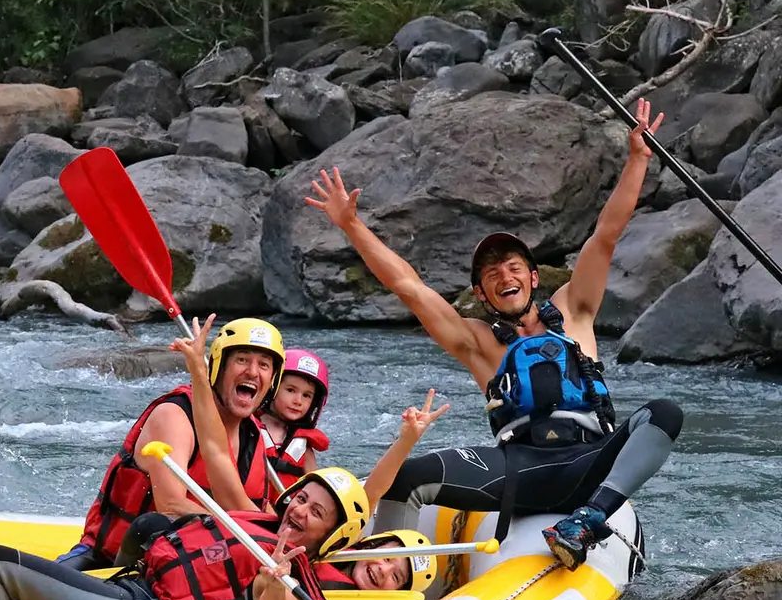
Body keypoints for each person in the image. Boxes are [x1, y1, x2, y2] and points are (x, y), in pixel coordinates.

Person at [307, 97, 683, 570]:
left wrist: (637, 159)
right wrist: (352, 225)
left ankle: (589, 520)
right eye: (490, 273)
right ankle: (382, 579)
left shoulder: (577, 309)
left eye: (513, 266)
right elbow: (409, 287)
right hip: (518, 468)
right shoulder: (478, 342)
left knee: (664, 412)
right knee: (406, 479)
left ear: (531, 277)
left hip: (591, 460)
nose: (503, 275)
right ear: (483, 292)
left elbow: (605, 235)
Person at [0, 466, 445, 600]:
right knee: (153, 525)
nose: (298, 509)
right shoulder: (262, 525)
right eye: (300, 498)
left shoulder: (309, 585)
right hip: (140, 584)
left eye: (315, 513)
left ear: (331, 536)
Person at [59, 317, 284, 571]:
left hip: (194, 568)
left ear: (273, 380)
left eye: (264, 365)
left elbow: (251, 510)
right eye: (242, 360)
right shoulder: (175, 416)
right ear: (219, 367)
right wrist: (250, 534)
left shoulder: (254, 436)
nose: (253, 372)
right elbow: (171, 506)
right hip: (113, 560)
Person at [260, 348, 331, 487]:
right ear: (273, 387)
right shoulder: (247, 428)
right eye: (291, 390)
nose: (298, 401)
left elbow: (312, 488)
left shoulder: (305, 448)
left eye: (306, 395)